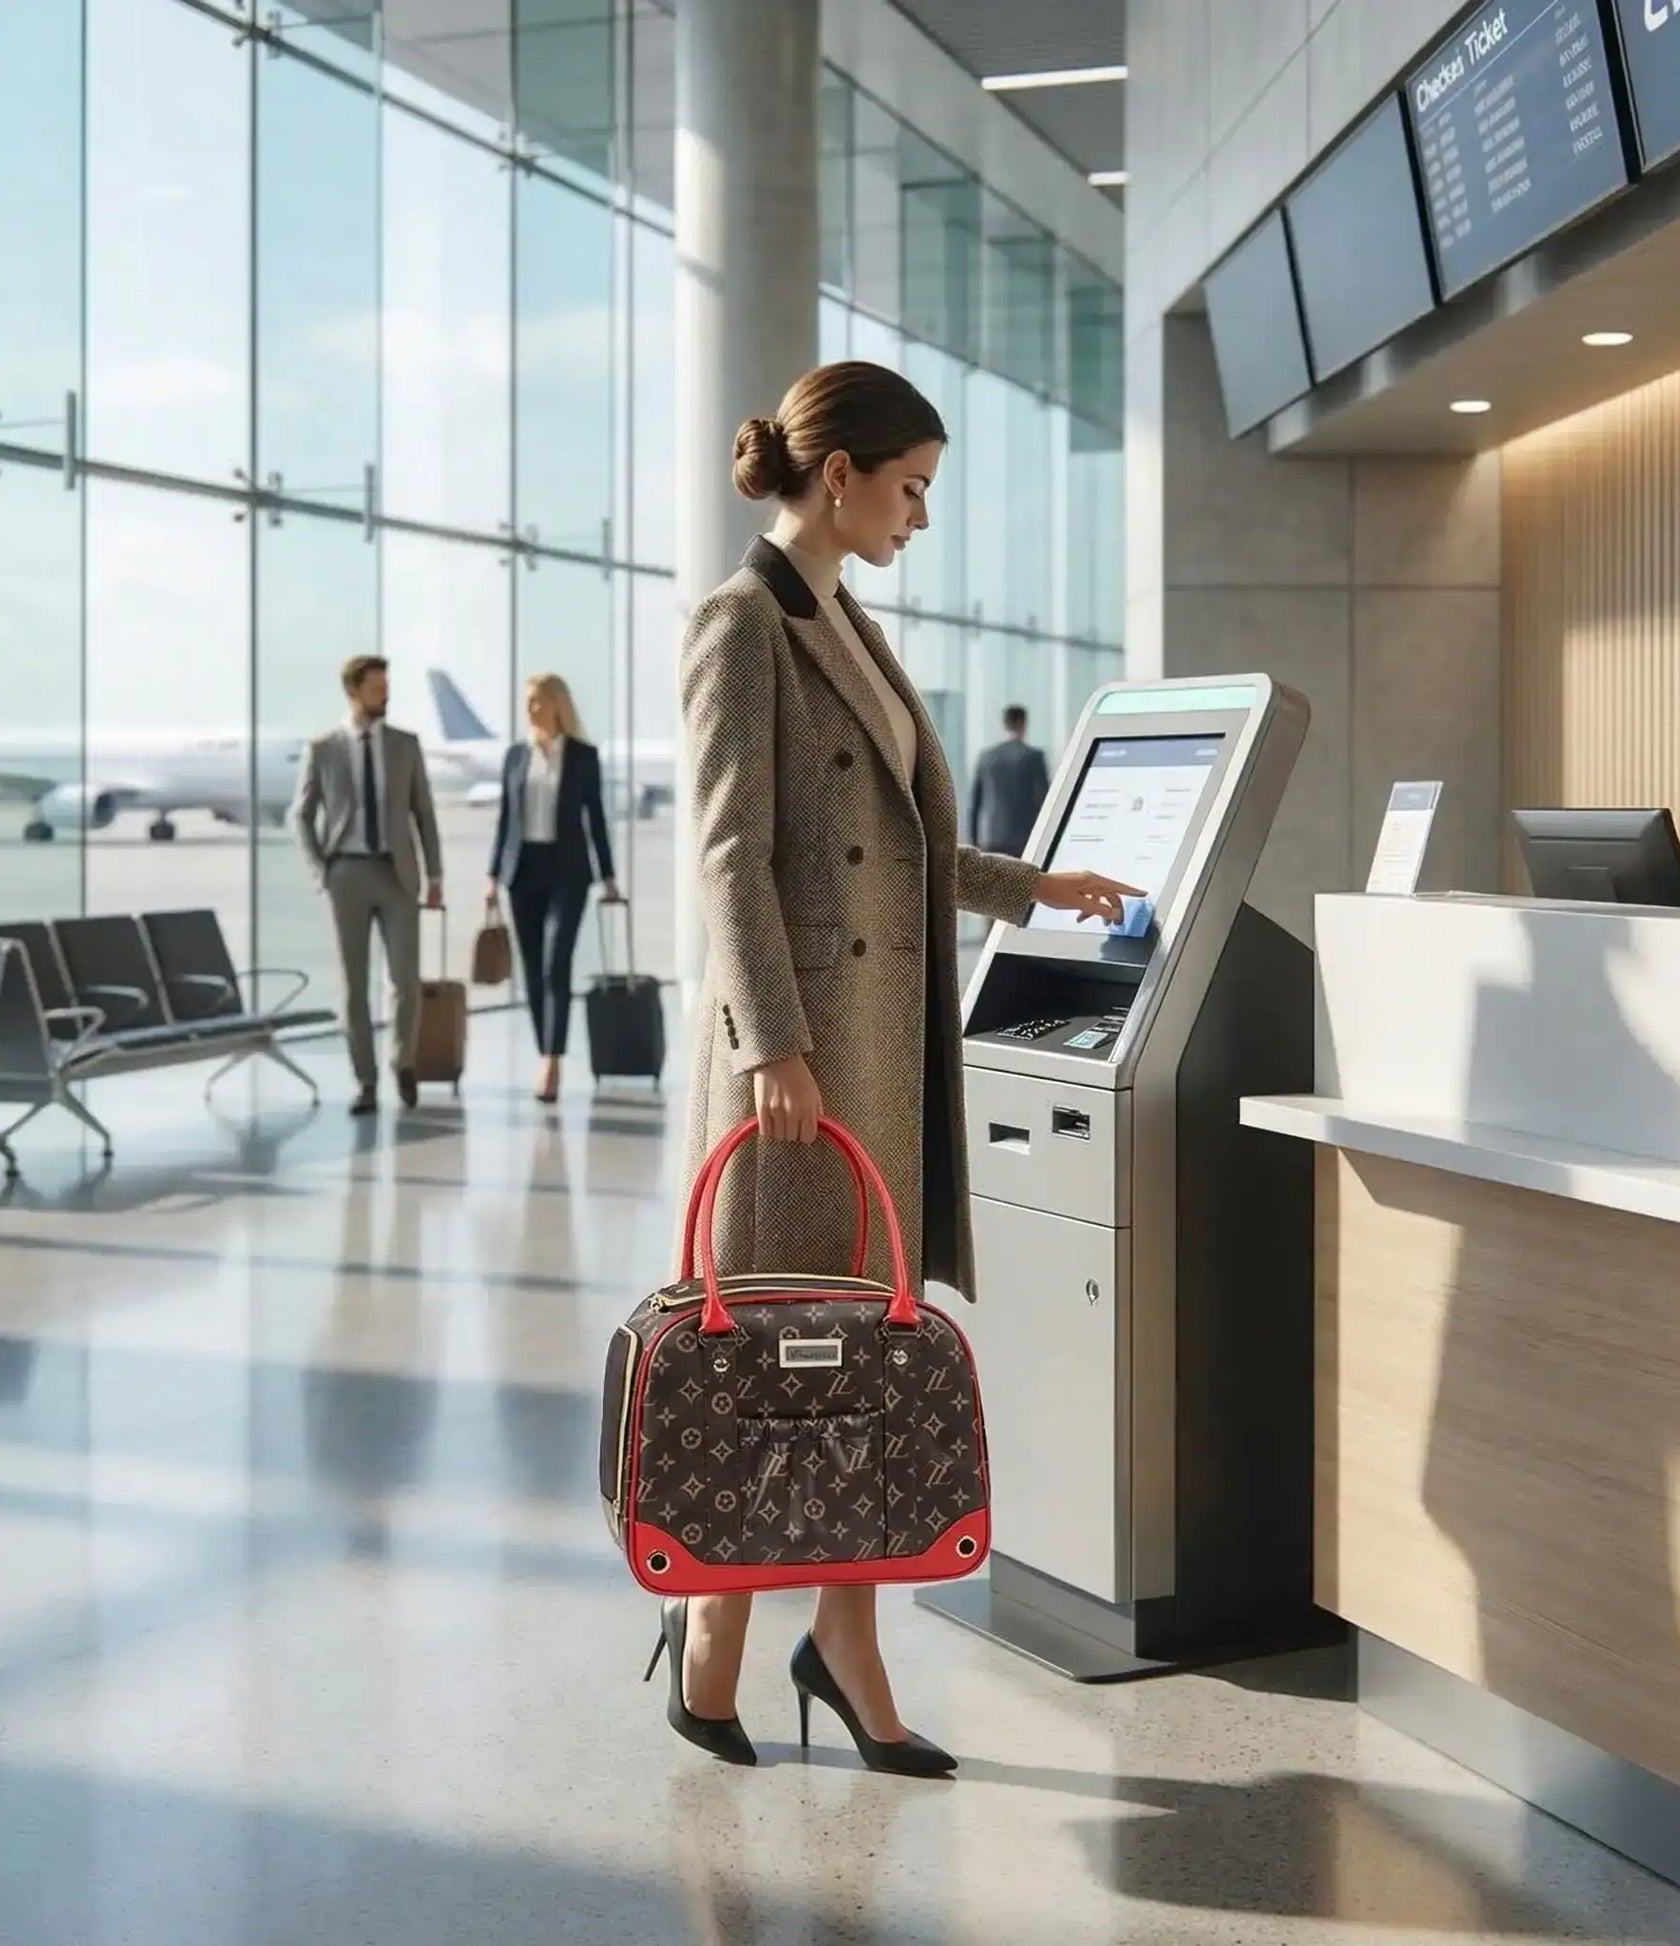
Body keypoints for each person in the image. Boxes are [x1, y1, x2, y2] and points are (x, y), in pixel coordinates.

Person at [663, 360, 1139, 1774]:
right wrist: (776, 1044)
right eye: (912, 486)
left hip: (873, 1057)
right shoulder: (740, 622)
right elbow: (727, 857)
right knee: (768, 1365)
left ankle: (845, 1644)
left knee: (861, 1363)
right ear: (839, 474)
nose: (919, 516)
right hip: (799, 1068)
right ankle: (712, 1652)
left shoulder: (844, 620)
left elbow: (907, 844)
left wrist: (1033, 886)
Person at [290, 654, 443, 1115]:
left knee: (405, 980)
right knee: (352, 985)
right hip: (348, 875)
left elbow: (425, 814)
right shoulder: (323, 748)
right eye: (377, 690)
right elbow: (300, 814)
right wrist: (321, 871)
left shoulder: (405, 745)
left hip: (398, 875)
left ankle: (404, 1062)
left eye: (387, 689)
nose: (386, 697)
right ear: (353, 691)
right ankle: (366, 1080)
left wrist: (435, 876)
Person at [487, 673, 621, 1105]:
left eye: (536, 702)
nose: (529, 709)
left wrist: (608, 876)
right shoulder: (514, 756)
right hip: (521, 870)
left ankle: (552, 1060)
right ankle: (544, 1046)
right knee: (530, 970)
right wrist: (492, 877)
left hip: (568, 872)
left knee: (554, 962)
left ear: (557, 705)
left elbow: (595, 817)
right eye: (526, 702)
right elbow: (505, 819)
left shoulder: (582, 756)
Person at [969, 705, 1051, 858]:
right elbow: (1044, 801)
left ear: (1005, 723)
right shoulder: (1034, 757)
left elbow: (975, 805)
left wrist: (974, 842)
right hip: (1023, 839)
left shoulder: (987, 757)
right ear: (1024, 723)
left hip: (991, 838)